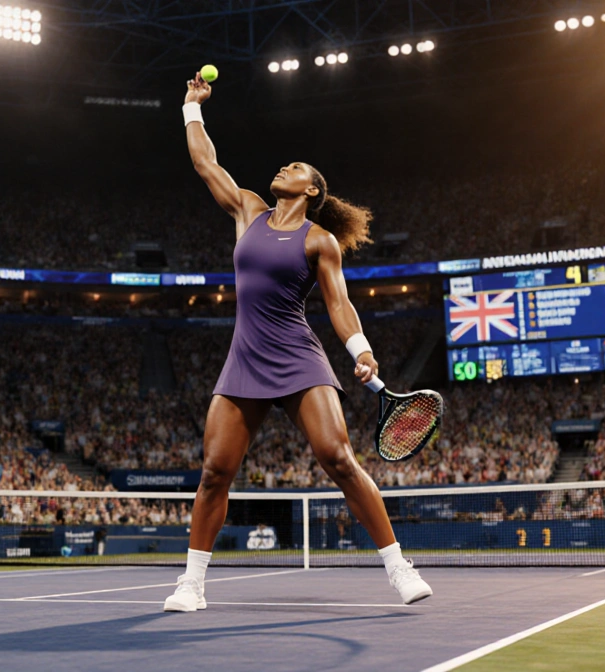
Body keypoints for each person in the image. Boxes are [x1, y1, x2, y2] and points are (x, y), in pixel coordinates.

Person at [163, 72, 432, 612]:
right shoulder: (247, 210)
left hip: (298, 356)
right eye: (284, 165)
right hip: (245, 357)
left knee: (337, 456)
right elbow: (204, 163)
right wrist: (193, 108)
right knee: (215, 470)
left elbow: (338, 303)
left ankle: (398, 566)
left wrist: (360, 351)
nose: (284, 167)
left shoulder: (320, 240)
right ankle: (191, 584)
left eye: (296, 168)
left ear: (311, 190)